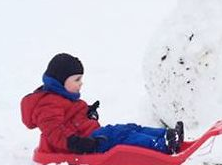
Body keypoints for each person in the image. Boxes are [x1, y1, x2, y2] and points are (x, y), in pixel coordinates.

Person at [21, 52, 183, 155]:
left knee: (128, 128)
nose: (81, 83)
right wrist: (78, 144)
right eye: (77, 79)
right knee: (123, 137)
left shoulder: (63, 98)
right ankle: (162, 145)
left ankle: (166, 135)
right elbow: (55, 132)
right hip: (85, 144)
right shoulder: (47, 105)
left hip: (91, 135)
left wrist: (88, 113)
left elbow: (71, 118)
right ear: (60, 81)